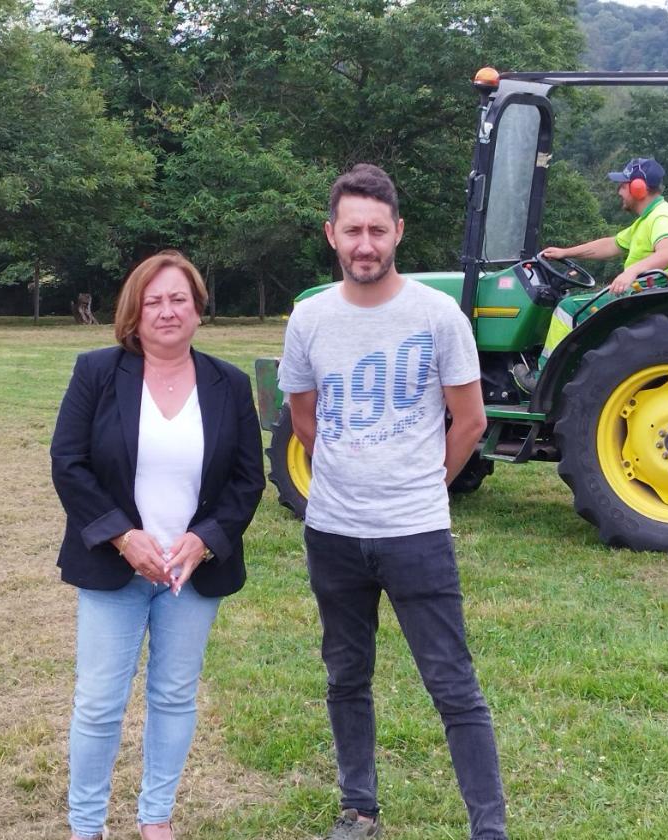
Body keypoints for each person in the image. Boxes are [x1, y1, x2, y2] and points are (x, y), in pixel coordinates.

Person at [278, 163, 506, 840]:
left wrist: (421, 486)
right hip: (335, 535)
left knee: (453, 686)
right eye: (353, 230)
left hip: (417, 536)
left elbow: (469, 422)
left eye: (378, 229)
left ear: (398, 232)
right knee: (346, 677)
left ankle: (488, 828)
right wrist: (349, 481)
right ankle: (358, 809)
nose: (366, 243)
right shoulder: (309, 318)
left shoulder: (437, 316)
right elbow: (303, 420)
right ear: (332, 235)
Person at [50, 250, 265, 840]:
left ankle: (156, 819)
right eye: (154, 301)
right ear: (134, 312)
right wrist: (123, 536)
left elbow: (248, 480)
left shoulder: (229, 384)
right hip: (114, 568)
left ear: (198, 309)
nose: (167, 311)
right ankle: (86, 826)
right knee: (98, 704)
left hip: (190, 575)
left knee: (173, 697)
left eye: (179, 299)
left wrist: (204, 541)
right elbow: (68, 464)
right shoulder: (97, 372)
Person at [513, 156, 668, 391]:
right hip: (646, 291)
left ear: (638, 188)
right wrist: (565, 252)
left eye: (623, 185)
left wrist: (631, 272)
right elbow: (611, 245)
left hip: (646, 291)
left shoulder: (662, 218)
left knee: (568, 309)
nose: (619, 191)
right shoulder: (646, 220)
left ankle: (542, 380)